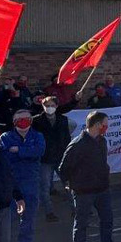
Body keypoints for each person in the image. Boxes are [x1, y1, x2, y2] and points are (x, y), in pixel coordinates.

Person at [58, 111, 121, 242]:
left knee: (107, 221)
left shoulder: (101, 141)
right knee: (81, 225)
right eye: (105, 124)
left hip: (102, 189)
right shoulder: (78, 144)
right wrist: (70, 184)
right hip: (83, 191)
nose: (106, 127)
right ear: (96, 125)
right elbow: (64, 168)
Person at [1, 109, 44, 242]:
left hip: (31, 181)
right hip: (12, 183)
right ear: (14, 122)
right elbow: (5, 157)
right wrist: (26, 152)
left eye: (26, 118)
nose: (23, 121)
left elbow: (38, 151)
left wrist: (18, 150)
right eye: (19, 119)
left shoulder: (37, 136)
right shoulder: (5, 137)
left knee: (29, 215)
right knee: (7, 218)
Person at [33, 94, 72, 223]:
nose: (49, 108)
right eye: (46, 105)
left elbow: (67, 138)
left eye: (52, 105)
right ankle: (49, 212)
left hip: (61, 156)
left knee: (69, 184)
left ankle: (76, 208)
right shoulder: (36, 121)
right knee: (44, 187)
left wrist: (67, 153)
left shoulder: (63, 119)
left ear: (56, 106)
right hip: (45, 158)